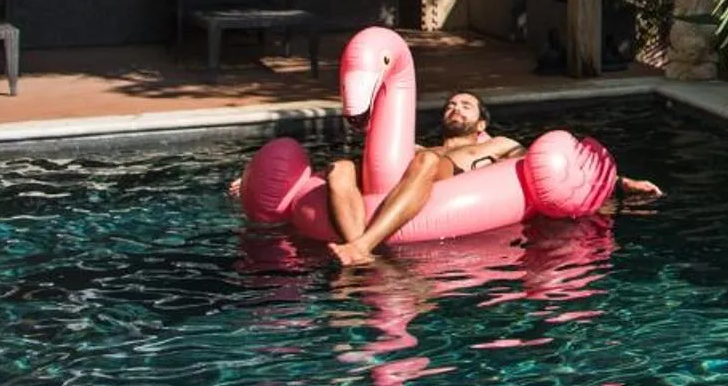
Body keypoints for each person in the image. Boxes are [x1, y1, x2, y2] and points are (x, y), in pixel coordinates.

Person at [233, 91, 662, 265]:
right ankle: (360, 255)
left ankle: (361, 246)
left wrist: (623, 182)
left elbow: (559, 167)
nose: (455, 109)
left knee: (422, 165)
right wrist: (257, 184)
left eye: (466, 105)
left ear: (481, 123)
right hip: (399, 188)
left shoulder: (498, 146)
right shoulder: (419, 148)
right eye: (450, 105)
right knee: (342, 166)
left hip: (453, 190)